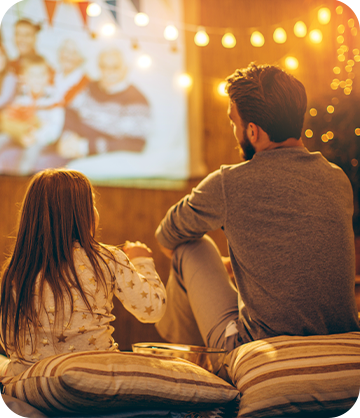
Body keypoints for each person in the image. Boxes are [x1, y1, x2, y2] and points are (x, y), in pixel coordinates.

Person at [155, 63, 360, 355]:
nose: (233, 130)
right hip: (338, 335)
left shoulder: (229, 183)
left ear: (252, 131)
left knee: (189, 247)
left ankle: (193, 366)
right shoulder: (337, 178)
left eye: (233, 122)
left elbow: (167, 235)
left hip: (254, 344)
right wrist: (237, 263)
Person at [0, 169, 166, 378]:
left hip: (31, 380)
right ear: (83, 214)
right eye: (92, 203)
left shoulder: (16, 270)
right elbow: (152, 310)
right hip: (98, 375)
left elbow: (8, 341)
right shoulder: (108, 258)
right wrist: (142, 262)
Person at [57, 47, 150, 160]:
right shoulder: (91, 87)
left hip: (97, 155)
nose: (108, 72)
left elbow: (136, 144)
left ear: (125, 69)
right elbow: (71, 112)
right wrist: (68, 136)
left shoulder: (137, 100)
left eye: (115, 67)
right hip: (71, 147)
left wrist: (85, 147)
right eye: (103, 66)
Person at [0, 55, 64, 175]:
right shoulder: (22, 94)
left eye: (41, 75)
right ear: (24, 77)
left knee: (29, 154)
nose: (37, 80)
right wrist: (20, 135)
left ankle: (21, 182)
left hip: (42, 139)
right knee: (2, 139)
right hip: (23, 134)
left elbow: (55, 128)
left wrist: (36, 136)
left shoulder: (54, 98)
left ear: (48, 77)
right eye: (32, 75)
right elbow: (15, 118)